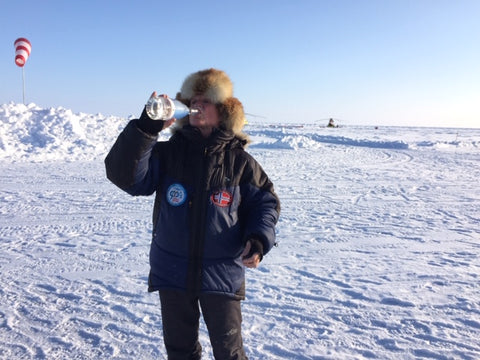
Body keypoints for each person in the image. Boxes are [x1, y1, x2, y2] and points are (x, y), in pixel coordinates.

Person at [105, 68, 280, 359]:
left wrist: (259, 238)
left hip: (222, 274)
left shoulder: (240, 162)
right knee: (180, 352)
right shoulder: (168, 153)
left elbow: (266, 203)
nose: (197, 105)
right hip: (172, 272)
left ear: (223, 110)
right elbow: (126, 177)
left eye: (205, 101)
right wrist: (146, 129)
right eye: (193, 100)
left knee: (229, 352)